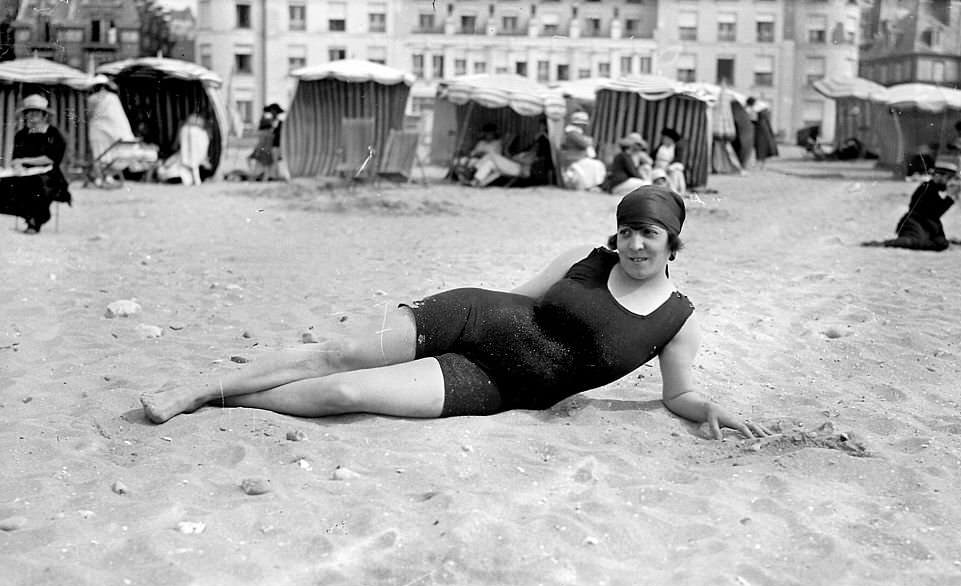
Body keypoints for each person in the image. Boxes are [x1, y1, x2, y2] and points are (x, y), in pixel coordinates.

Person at [140, 186, 769, 440]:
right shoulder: (584, 259)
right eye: (627, 230)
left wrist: (706, 408)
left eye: (649, 233)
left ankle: (231, 399)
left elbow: (678, 393)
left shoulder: (678, 319)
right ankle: (198, 389)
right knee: (343, 353)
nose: (634, 244)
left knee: (345, 390)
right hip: (477, 319)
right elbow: (519, 295)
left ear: (672, 241)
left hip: (499, 385)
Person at [0, 94, 71, 233]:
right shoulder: (21, 134)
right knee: (6, 183)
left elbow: (50, 159)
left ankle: (35, 221)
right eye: (29, 112)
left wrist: (24, 161)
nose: (32, 115)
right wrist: (18, 166)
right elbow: (16, 157)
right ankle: (26, 216)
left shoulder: (53, 133)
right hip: (25, 172)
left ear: (44, 115)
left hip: (49, 173)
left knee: (37, 185)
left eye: (36, 112)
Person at [861, 160, 961, 252]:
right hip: (914, 224)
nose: (948, 183)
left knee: (941, 243)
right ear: (939, 176)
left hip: (926, 226)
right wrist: (949, 198)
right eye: (948, 179)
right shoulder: (926, 189)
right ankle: (882, 244)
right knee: (913, 242)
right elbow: (934, 213)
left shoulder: (931, 189)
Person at [86, 76, 159, 182]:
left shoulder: (92, 99)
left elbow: (90, 115)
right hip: (105, 131)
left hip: (96, 130)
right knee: (108, 154)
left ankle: (102, 177)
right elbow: (118, 119)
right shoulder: (112, 98)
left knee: (100, 154)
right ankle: (104, 176)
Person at [472, 120, 552, 187]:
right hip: (515, 165)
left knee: (492, 155)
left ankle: (473, 169)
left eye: (540, 128)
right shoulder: (531, 148)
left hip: (520, 169)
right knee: (490, 164)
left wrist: (512, 158)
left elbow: (527, 161)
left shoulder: (536, 150)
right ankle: (476, 182)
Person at [156, 113, 211, 185]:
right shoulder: (202, 133)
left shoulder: (186, 130)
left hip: (184, 165)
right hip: (190, 165)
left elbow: (176, 147)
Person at [560, 111, 606, 191]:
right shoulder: (572, 133)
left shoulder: (575, 133)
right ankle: (590, 185)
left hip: (578, 157)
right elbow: (584, 144)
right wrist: (588, 141)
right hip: (574, 158)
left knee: (595, 165)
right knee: (596, 165)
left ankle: (592, 185)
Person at [248, 103, 284, 181]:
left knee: (274, 161)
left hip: (276, 145)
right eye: (272, 111)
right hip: (267, 145)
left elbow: (281, 134)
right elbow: (262, 131)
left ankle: (273, 176)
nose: (273, 112)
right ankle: (263, 175)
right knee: (265, 160)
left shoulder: (281, 123)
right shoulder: (267, 122)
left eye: (275, 111)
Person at [652, 127, 687, 196]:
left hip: (669, 168)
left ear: (670, 139)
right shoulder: (660, 147)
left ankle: (677, 192)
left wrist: (670, 167)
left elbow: (678, 160)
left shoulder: (676, 148)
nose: (663, 139)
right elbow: (652, 157)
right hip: (658, 168)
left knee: (676, 173)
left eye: (665, 138)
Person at [746, 96, 779, 169]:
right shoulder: (764, 108)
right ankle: (762, 165)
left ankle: (759, 164)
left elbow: (754, 119)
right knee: (763, 148)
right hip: (765, 129)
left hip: (760, 130)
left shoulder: (756, 109)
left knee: (760, 147)